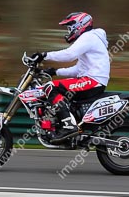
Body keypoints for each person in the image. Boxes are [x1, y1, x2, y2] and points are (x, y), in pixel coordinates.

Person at [30, 12, 110, 143]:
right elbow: (78, 69)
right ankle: (66, 124)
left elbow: (69, 55)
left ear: (80, 25)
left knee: (50, 87)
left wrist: (44, 55)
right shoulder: (91, 38)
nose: (69, 31)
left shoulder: (88, 37)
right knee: (57, 87)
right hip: (91, 80)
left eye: (70, 27)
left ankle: (68, 126)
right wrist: (55, 71)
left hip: (92, 81)